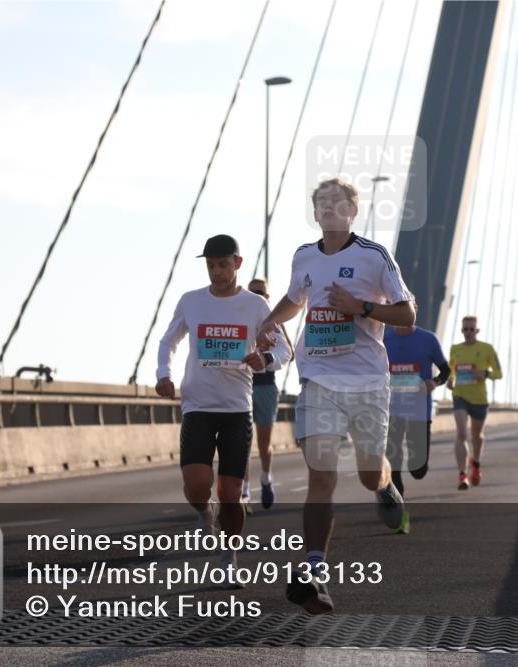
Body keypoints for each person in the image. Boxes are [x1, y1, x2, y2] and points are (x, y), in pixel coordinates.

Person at [256, 178, 415, 614]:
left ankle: (384, 486)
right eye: (321, 202)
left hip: (366, 382)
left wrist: (361, 308)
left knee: (367, 474)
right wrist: (270, 320)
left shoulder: (373, 256)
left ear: (352, 210)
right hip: (320, 379)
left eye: (336, 202)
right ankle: (314, 573)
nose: (328, 208)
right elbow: (293, 299)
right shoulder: (304, 257)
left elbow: (406, 313)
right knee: (321, 475)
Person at [156, 235, 291, 587]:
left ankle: (228, 559)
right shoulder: (192, 301)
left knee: (231, 492)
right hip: (198, 406)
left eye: (223, 265)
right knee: (197, 484)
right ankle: (204, 511)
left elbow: (284, 351)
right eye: (211, 265)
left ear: (238, 264)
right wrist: (163, 374)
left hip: (236, 409)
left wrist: (265, 359)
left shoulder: (257, 306)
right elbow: (168, 340)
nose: (217, 272)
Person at [383, 305, 450, 500]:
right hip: (392, 409)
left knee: (418, 470)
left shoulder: (428, 339)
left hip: (420, 411)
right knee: (393, 458)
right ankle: (398, 501)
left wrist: (434, 382)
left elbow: (445, 371)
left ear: (414, 311)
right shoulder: (385, 340)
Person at [242, 277, 293, 510]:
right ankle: (243, 492)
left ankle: (266, 478)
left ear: (268, 296)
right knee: (242, 442)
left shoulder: (275, 321)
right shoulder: (241, 318)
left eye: (261, 292)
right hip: (243, 386)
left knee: (263, 444)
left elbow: (289, 352)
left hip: (266, 387)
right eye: (253, 292)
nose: (258, 296)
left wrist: (268, 356)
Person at [448, 316, 503, 490]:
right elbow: (452, 371)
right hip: (460, 396)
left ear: (477, 331)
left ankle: (476, 464)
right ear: (462, 331)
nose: (468, 332)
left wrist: (485, 374)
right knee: (462, 434)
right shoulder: (455, 349)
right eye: (465, 329)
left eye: (472, 329)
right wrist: (450, 380)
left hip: (479, 399)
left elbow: (499, 373)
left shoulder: (486, 349)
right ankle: (462, 475)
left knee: (477, 436)